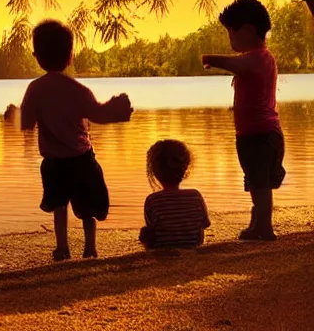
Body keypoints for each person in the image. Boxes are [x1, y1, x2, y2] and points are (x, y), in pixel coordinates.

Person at [20, 19, 133, 261]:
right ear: (71, 55)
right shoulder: (79, 90)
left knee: (59, 206)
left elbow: (26, 123)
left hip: (54, 162)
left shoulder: (35, 89)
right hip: (82, 159)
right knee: (88, 208)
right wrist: (117, 111)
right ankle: (90, 248)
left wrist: (11, 115)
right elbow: (99, 115)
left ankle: (63, 247)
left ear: (36, 56)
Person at [202, 0, 285, 241]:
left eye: (231, 32)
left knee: (259, 183)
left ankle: (265, 228)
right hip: (254, 133)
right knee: (255, 179)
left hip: (261, 134)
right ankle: (257, 222)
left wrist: (211, 59)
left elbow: (236, 64)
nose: (230, 39)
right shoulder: (258, 59)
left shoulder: (259, 57)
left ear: (247, 30)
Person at [139, 139, 210, 249]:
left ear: (154, 171)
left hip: (162, 251)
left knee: (146, 232)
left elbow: (152, 230)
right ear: (185, 167)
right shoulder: (195, 195)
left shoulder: (152, 200)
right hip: (192, 248)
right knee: (199, 227)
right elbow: (205, 224)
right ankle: (194, 246)